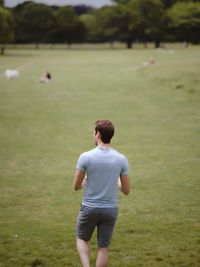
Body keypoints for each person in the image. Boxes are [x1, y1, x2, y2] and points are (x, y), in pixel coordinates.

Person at [74, 120, 130, 267]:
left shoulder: (85, 157)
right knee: (103, 248)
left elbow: (76, 186)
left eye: (94, 132)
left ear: (98, 134)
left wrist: (86, 180)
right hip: (110, 209)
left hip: (89, 207)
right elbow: (126, 190)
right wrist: (116, 178)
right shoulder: (121, 159)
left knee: (81, 239)